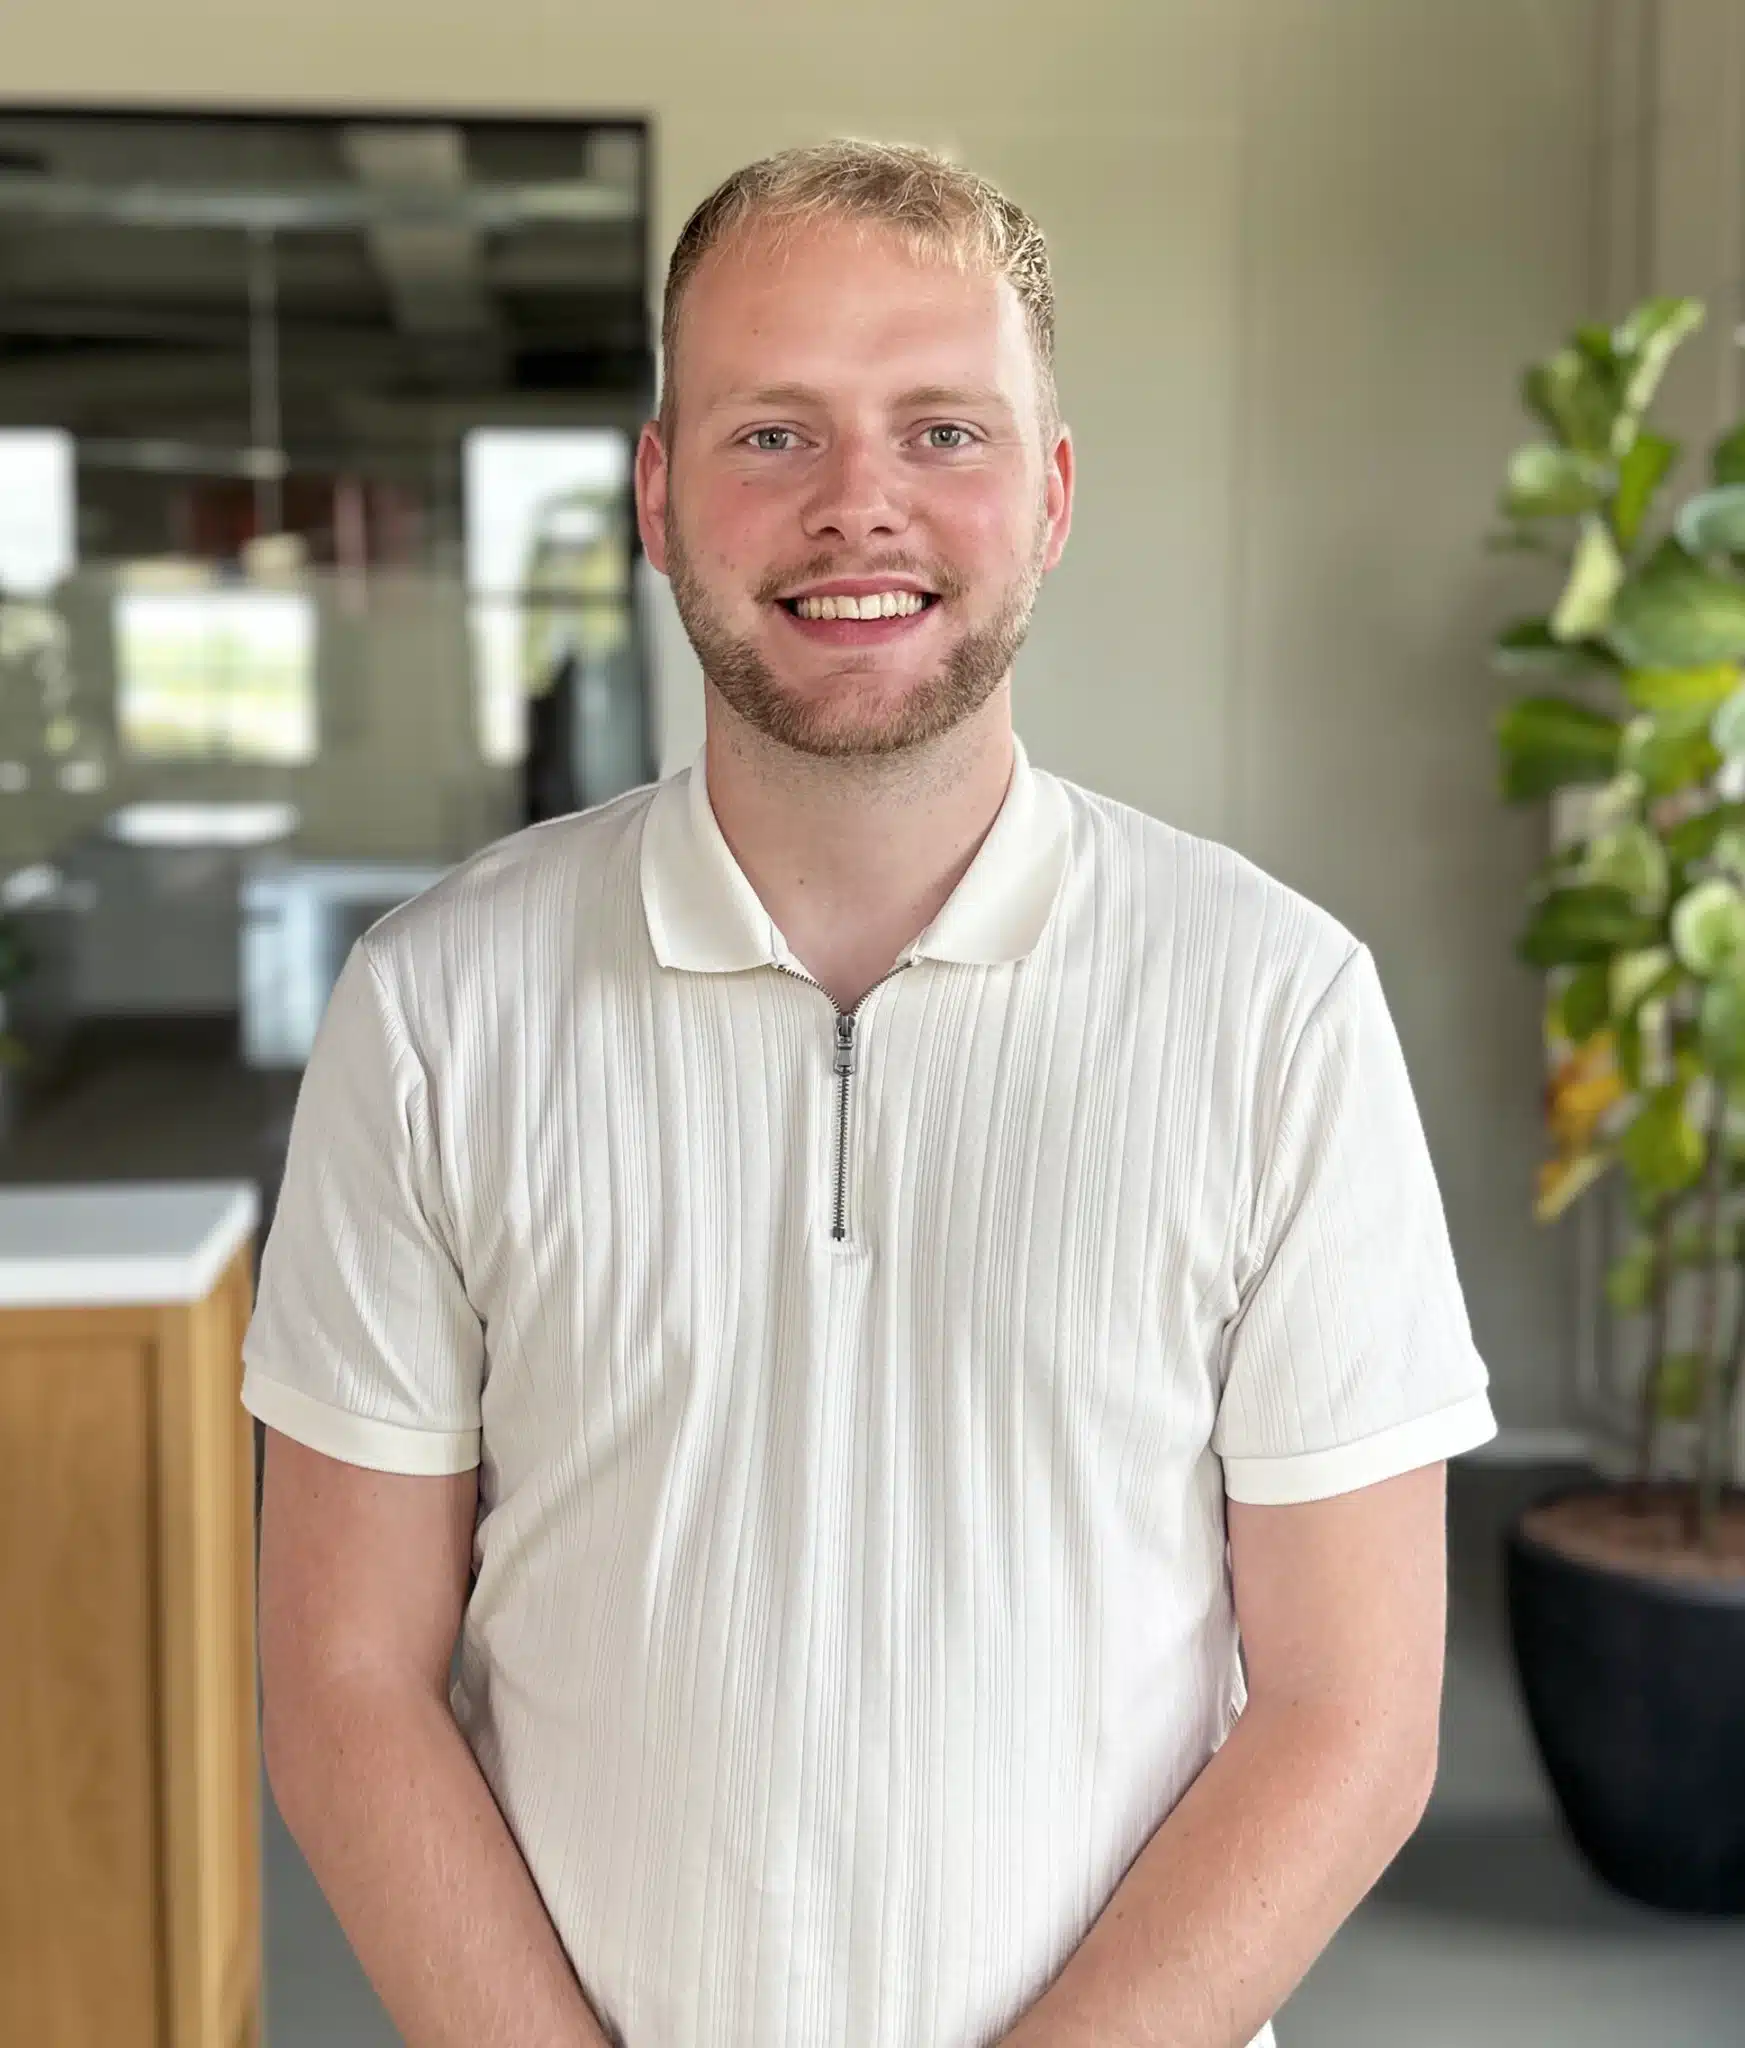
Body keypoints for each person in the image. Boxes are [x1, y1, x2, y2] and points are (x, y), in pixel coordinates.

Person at [245, 139, 1498, 2048]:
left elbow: (1353, 1713)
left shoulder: (1277, 1011)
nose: (859, 505)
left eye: (943, 432)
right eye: (773, 434)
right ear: (658, 496)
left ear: (1050, 494)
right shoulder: (433, 1012)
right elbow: (346, 1686)